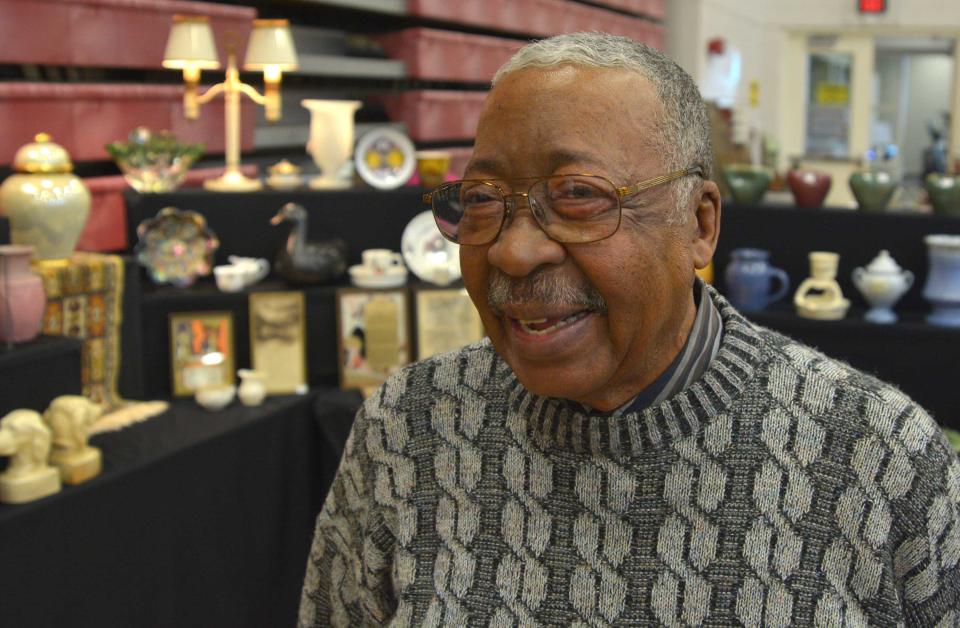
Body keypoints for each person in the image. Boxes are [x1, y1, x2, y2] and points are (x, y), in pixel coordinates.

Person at [299, 33, 960, 626]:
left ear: (699, 225)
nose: (513, 252)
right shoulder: (409, 427)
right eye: (480, 200)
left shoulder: (878, 458)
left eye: (579, 195)